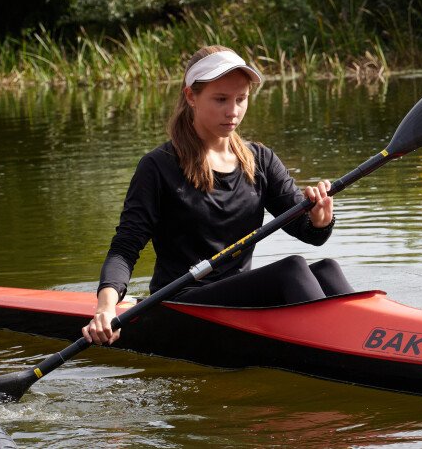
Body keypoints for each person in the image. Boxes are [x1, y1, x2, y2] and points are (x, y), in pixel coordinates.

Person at [83, 45, 354, 345]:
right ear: (191, 96)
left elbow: (310, 234)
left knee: (327, 269)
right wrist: (105, 308)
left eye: (241, 99)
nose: (233, 111)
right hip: (182, 303)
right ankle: (340, 351)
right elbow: (125, 248)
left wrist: (319, 219)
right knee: (291, 269)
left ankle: (367, 343)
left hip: (239, 297)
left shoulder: (261, 160)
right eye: (221, 99)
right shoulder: (158, 167)